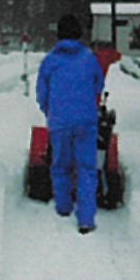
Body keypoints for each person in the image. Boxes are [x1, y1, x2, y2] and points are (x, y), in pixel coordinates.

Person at [35, 13, 105, 234]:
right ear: (79, 34)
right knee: (86, 168)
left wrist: (52, 112)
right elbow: (98, 86)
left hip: (60, 122)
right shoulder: (89, 58)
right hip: (86, 121)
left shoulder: (49, 62)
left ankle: (63, 208)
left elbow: (41, 94)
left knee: (60, 166)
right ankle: (86, 219)